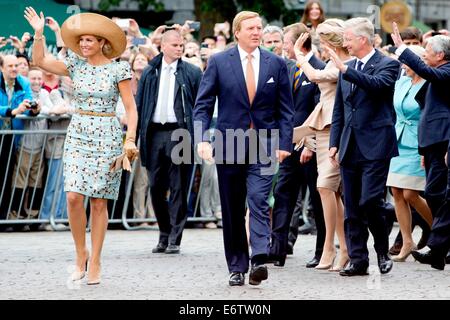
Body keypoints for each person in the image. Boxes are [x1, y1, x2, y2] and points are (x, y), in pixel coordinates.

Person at [24, 8, 138, 284]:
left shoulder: (119, 68)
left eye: (90, 40)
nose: (84, 44)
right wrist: (39, 33)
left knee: (99, 202)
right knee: (73, 196)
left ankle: (96, 260)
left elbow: (130, 107)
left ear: (102, 42)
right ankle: (80, 254)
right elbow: (39, 61)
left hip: (108, 134)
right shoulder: (75, 65)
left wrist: (130, 139)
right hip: (78, 132)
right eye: (82, 40)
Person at [194, 11, 294, 286]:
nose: (256, 32)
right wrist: (202, 139)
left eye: (258, 27)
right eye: (250, 28)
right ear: (237, 32)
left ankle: (259, 257)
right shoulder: (218, 62)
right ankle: (237, 265)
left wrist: (285, 143)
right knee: (233, 208)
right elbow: (202, 106)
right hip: (229, 143)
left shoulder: (275, 63)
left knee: (260, 201)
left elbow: (286, 110)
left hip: (264, 144)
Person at [328, 17, 400, 276]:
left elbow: (378, 86)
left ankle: (382, 250)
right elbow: (340, 110)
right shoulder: (345, 67)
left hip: (377, 144)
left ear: (362, 39)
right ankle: (358, 260)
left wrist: (348, 71)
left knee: (371, 201)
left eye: (347, 38)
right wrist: (334, 143)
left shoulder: (388, 65)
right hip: (350, 145)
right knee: (352, 208)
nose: (344, 43)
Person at [136, 30, 202, 254]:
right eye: (174, 45)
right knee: (155, 187)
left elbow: (200, 106)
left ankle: (175, 236)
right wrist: (133, 139)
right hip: (154, 133)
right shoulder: (149, 72)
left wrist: (199, 137)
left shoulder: (192, 72)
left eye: (181, 45)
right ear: (162, 46)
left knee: (178, 186)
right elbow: (139, 105)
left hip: (180, 132)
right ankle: (164, 232)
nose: (179, 48)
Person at [292, 18, 351, 271]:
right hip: (323, 129)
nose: (322, 47)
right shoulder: (331, 61)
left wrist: (299, 56)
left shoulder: (343, 64)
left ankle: (333, 247)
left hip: (336, 131)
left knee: (325, 187)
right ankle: (340, 247)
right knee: (327, 191)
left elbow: (315, 76)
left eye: (324, 42)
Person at [391, 23, 450, 270]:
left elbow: (428, 73)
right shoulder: (437, 71)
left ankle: (438, 247)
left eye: (427, 50)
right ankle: (439, 247)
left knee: (439, 195)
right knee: (436, 194)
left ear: (440, 55)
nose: (424, 54)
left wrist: (402, 49)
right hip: (430, 144)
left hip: (443, 142)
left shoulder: (446, 71)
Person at [269, 22, 325, 269]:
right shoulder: (289, 69)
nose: (283, 47)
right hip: (289, 146)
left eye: (287, 42)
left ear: (301, 43)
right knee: (282, 195)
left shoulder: (319, 69)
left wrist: (310, 145)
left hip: (312, 148)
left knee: (317, 199)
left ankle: (322, 250)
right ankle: (277, 249)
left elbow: (319, 110)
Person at [386, 45, 433, 262]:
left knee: (410, 194)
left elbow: (428, 116)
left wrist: (425, 148)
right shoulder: (401, 82)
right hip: (398, 140)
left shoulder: (430, 83)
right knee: (396, 191)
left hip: (417, 141)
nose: (404, 65)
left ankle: (441, 234)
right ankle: (407, 242)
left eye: (408, 60)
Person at [0, 55, 33, 224]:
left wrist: (33, 109)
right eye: (10, 66)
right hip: (2, 132)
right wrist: (11, 111)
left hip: (12, 137)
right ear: (2, 68)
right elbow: (13, 110)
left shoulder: (24, 82)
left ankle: (3, 218)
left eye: (15, 65)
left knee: (6, 179)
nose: (14, 68)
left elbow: (29, 104)